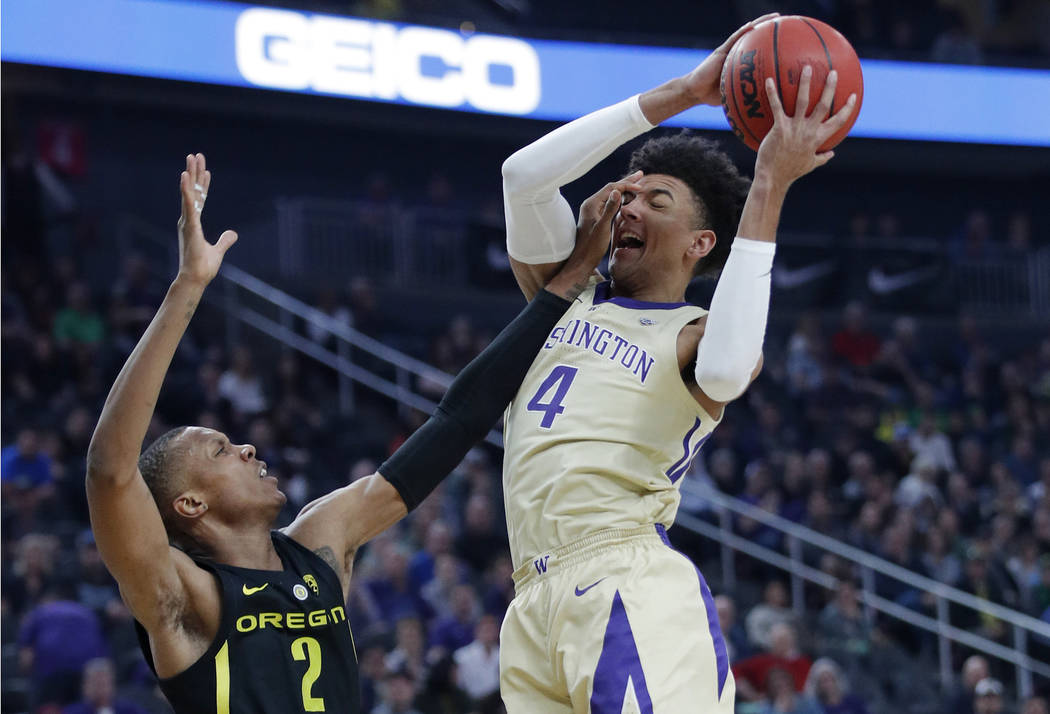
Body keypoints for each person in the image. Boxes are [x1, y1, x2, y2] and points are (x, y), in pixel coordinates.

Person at [85, 154, 626, 714]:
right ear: (191, 502)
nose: (247, 447)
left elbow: (454, 421)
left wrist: (559, 292)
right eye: (220, 450)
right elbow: (109, 470)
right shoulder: (184, 595)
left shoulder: (322, 538)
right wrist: (188, 286)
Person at [496, 12, 857, 712]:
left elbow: (725, 372)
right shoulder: (564, 295)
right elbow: (524, 177)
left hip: (623, 577)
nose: (628, 205)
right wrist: (682, 93)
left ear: (699, 243)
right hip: (530, 602)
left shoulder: (695, 333)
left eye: (655, 201)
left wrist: (769, 187)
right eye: (625, 193)